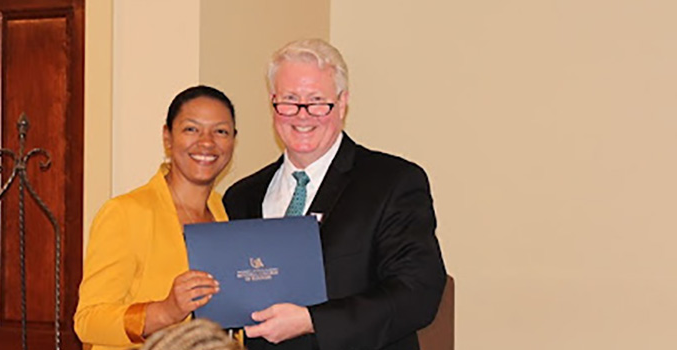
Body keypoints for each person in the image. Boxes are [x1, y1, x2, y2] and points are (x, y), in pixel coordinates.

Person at [222, 39, 446, 350]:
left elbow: (417, 293)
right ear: (272, 103)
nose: (302, 115)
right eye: (289, 99)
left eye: (317, 101)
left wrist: (313, 321)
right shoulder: (240, 197)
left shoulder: (392, 182)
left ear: (342, 104)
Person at [75, 85, 238, 350]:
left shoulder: (230, 210)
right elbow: (88, 322)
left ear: (233, 141)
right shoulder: (125, 213)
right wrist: (165, 311)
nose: (207, 142)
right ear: (168, 137)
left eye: (220, 131)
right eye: (191, 129)